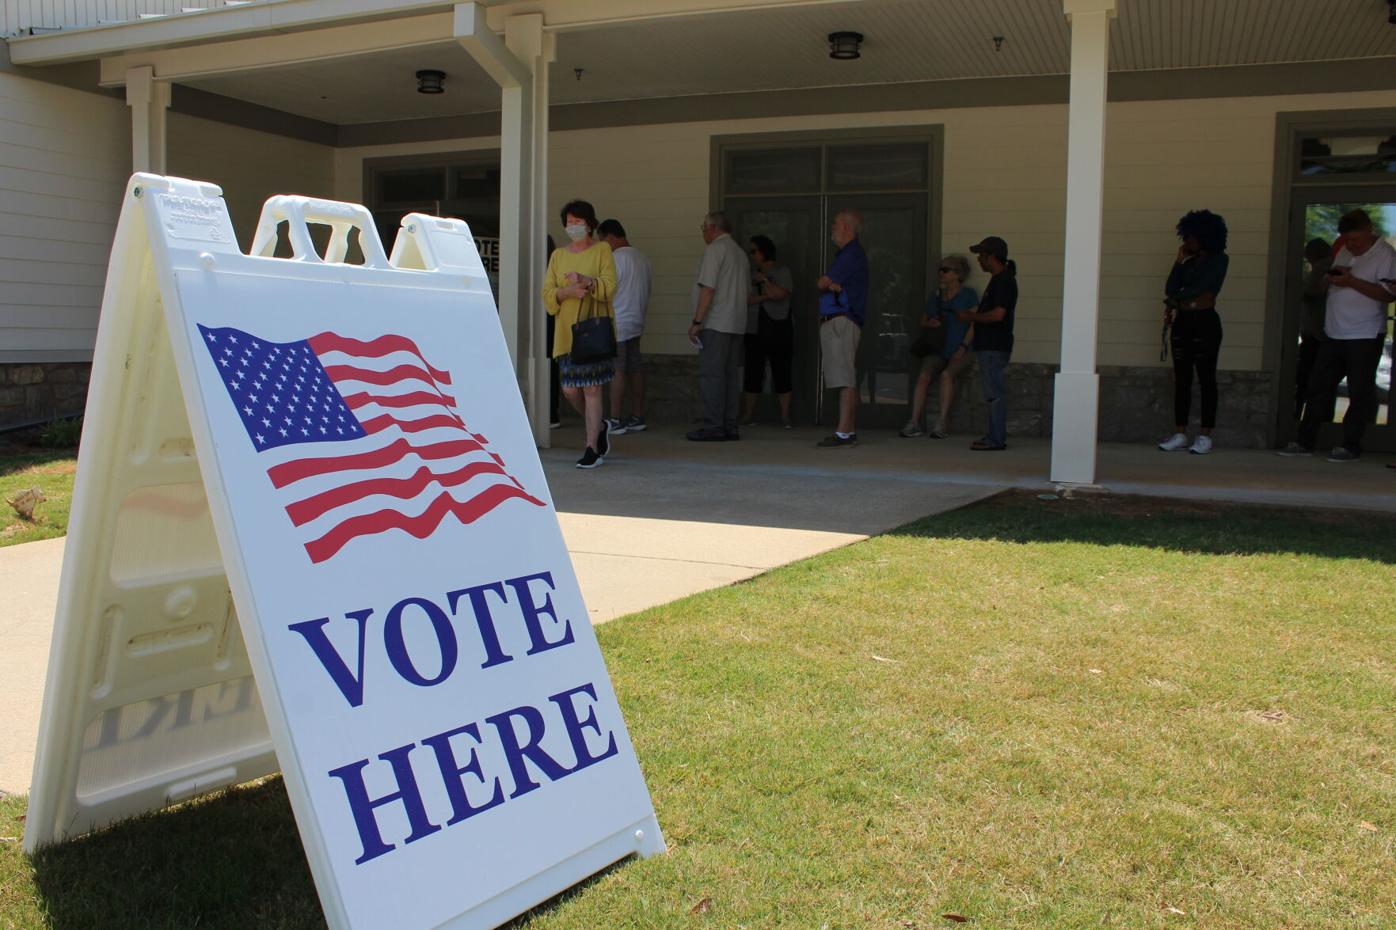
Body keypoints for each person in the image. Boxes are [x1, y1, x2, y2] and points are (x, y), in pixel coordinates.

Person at [1279, 209, 1396, 462]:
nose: (1351, 244)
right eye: (1346, 239)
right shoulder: (1343, 250)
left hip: (1364, 334)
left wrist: (1351, 282)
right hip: (1333, 333)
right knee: (1317, 387)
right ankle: (1304, 441)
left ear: (1368, 230)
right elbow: (1327, 283)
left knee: (1359, 391)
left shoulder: (1385, 254)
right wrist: (1327, 280)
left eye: (1355, 239)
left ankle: (1350, 445)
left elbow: (1388, 295)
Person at [543, 199, 617, 469]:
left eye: (578, 222)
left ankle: (591, 448)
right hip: (566, 335)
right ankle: (599, 426)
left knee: (593, 388)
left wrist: (588, 281)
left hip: (594, 330)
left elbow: (610, 287)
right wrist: (566, 292)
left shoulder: (602, 250)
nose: (573, 227)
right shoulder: (558, 256)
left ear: (589, 223)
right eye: (569, 222)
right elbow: (548, 295)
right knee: (570, 390)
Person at [1157, 209, 1229, 455]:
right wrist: (1178, 262)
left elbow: (1200, 288)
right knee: (1182, 379)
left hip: (1205, 323)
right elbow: (1171, 288)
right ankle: (1180, 433)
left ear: (1205, 237)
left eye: (1190, 237)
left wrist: (1182, 297)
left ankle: (1205, 434)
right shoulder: (1186, 263)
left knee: (1206, 378)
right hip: (1183, 322)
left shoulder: (1220, 260)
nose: (1186, 242)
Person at [687, 211, 749, 441]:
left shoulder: (715, 250)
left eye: (704, 227)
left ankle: (714, 425)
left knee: (712, 376)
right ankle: (730, 425)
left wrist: (697, 321)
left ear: (714, 228)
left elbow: (708, 288)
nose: (703, 231)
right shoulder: (740, 253)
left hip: (716, 322)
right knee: (730, 377)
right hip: (736, 323)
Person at [900, 254, 978, 439]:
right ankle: (914, 422)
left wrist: (963, 346)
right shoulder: (936, 295)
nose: (941, 273)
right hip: (938, 347)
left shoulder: (969, 295)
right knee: (923, 376)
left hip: (961, 347)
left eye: (946, 270)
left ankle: (942, 422)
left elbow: (975, 323)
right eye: (940, 269)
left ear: (958, 274)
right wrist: (930, 323)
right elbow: (924, 319)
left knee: (946, 375)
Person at [958, 236, 1017, 451]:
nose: (980, 260)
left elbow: (998, 314)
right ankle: (993, 435)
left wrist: (971, 317)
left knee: (994, 394)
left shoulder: (1004, 281)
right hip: (989, 345)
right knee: (992, 392)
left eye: (982, 256)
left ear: (992, 256)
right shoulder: (998, 280)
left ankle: (996, 439)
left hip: (994, 345)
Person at [815, 209, 868, 448]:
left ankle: (844, 433)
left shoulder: (851, 254)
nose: (832, 228)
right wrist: (832, 284)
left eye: (835, 224)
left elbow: (822, 282)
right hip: (841, 320)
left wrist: (830, 283)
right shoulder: (848, 255)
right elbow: (829, 284)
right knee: (844, 375)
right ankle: (847, 430)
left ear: (847, 227)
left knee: (846, 377)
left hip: (843, 320)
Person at [598, 218, 651, 435]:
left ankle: (616, 419)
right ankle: (637, 416)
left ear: (610, 237)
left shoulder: (616, 259)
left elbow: (606, 290)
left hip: (618, 321)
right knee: (635, 368)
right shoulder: (643, 258)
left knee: (617, 369)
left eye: (603, 240)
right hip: (637, 320)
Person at [741, 235, 796, 429]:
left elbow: (781, 294)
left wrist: (764, 280)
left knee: (781, 370)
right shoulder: (748, 274)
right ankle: (748, 415)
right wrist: (768, 295)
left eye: (754, 251)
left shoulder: (782, 271)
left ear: (764, 251)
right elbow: (747, 299)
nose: (752, 255)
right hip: (754, 327)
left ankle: (785, 416)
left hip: (779, 326)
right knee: (752, 371)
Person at [1295, 237, 1333, 423]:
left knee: (1307, 382)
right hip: (1323, 334)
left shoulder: (1323, 267)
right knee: (1326, 385)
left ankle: (1298, 420)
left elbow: (1310, 294)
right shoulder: (1331, 266)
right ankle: (1324, 421)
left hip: (1317, 336)